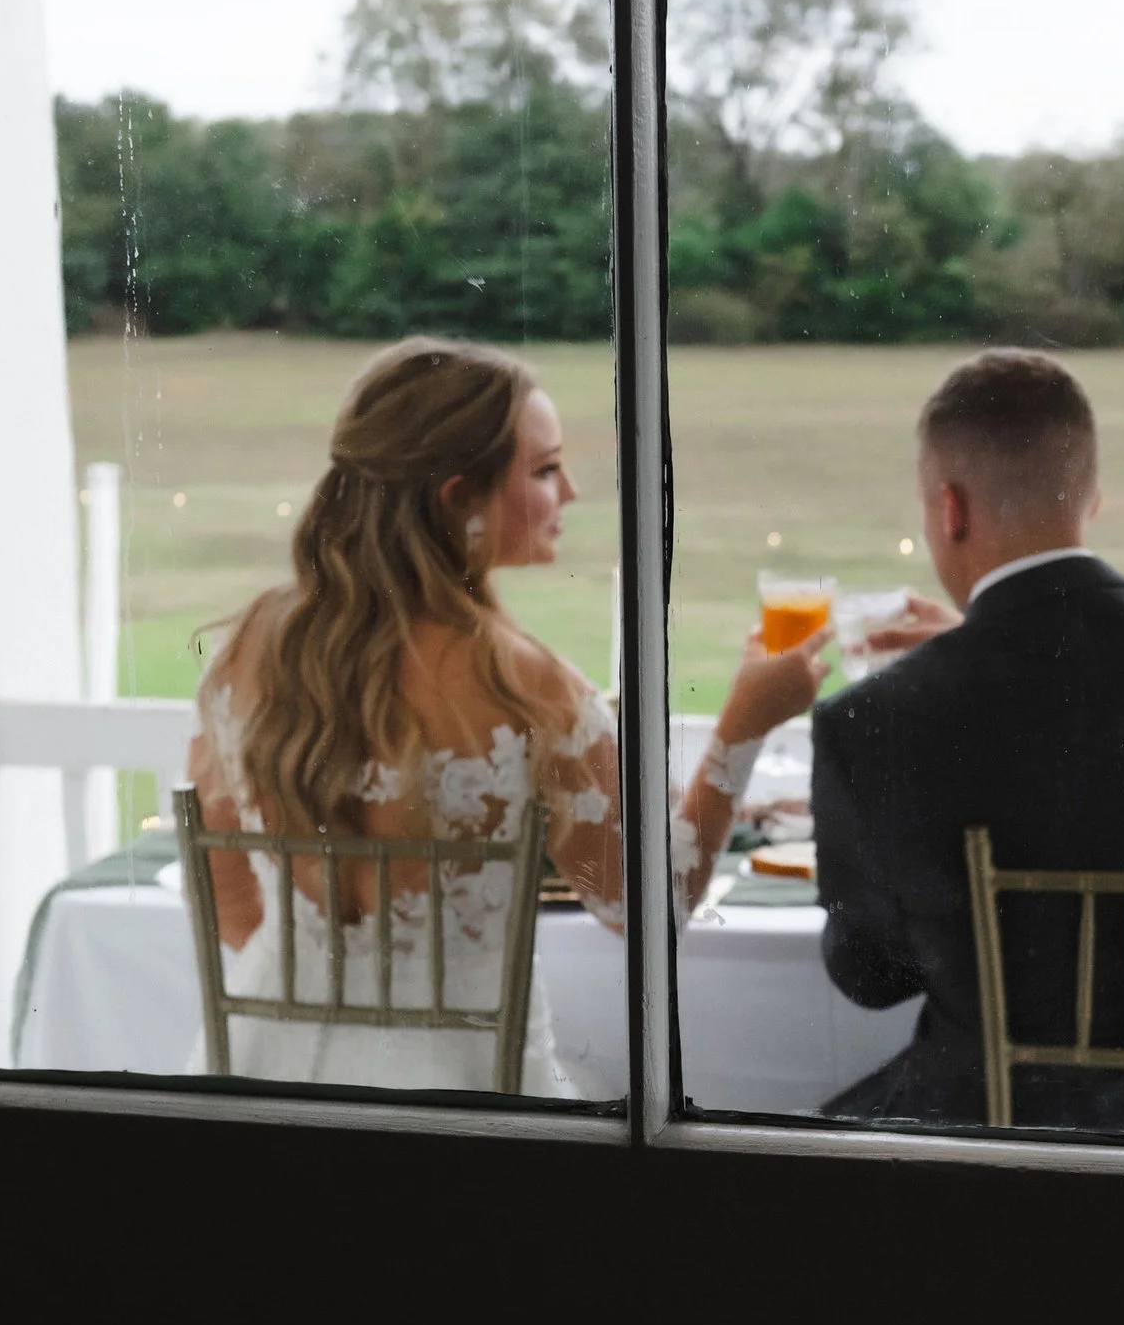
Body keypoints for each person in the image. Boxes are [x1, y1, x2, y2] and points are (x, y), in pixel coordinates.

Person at [188, 338, 826, 1097]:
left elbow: (220, 863)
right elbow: (653, 906)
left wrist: (323, 995)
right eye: (546, 469)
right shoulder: (530, 691)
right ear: (460, 497)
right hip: (460, 1096)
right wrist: (743, 725)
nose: (573, 492)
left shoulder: (251, 646)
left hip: (260, 1076)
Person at [811, 348, 1124, 1137]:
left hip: (1006, 1152)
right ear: (1094, 494)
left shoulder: (877, 717)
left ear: (950, 509)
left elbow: (870, 976)